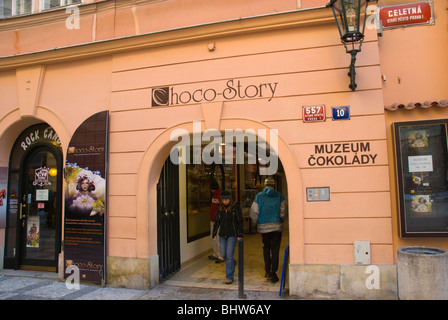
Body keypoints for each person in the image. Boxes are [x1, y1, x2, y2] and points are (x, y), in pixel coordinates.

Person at [250, 177, 287, 283]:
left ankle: (267, 270)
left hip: (264, 228)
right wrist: (281, 220)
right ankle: (273, 271)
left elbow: (254, 212)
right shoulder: (280, 196)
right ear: (273, 185)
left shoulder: (259, 196)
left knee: (266, 248)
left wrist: (257, 222)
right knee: (275, 249)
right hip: (276, 227)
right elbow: (283, 211)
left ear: (265, 185)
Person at [212, 191, 243, 284]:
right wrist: (214, 233)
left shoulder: (235, 208)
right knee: (223, 255)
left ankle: (229, 277)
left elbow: (239, 221)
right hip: (222, 235)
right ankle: (232, 263)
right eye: (223, 200)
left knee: (229, 255)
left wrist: (239, 234)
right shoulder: (219, 209)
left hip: (232, 235)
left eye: (227, 199)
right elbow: (217, 221)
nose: (225, 201)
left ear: (230, 199)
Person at [209, 181, 224, 263]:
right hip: (213, 219)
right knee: (213, 237)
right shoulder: (215, 194)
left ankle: (221, 256)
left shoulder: (220, 195)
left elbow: (223, 208)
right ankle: (215, 253)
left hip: (218, 220)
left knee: (218, 238)